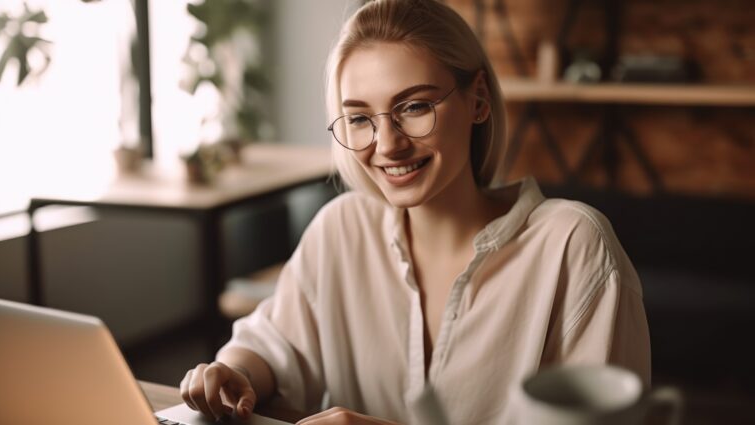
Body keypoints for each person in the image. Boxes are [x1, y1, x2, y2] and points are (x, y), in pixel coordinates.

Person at [179, 0, 651, 424]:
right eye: (360, 118)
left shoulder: (574, 245)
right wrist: (233, 372)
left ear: (479, 99)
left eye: (415, 106)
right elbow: (272, 345)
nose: (387, 145)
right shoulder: (342, 229)